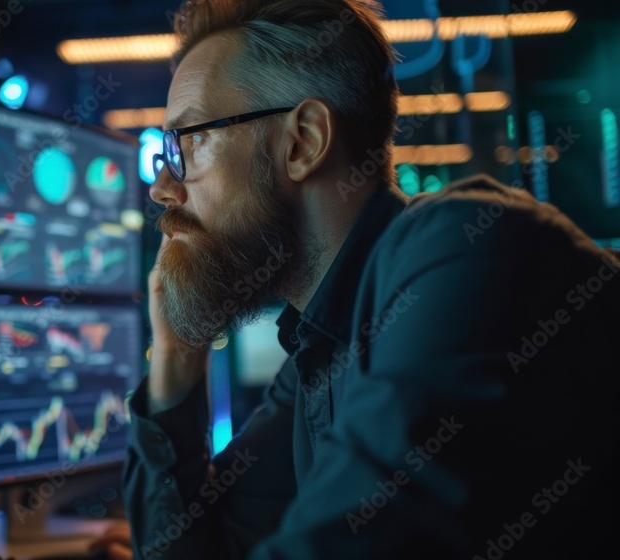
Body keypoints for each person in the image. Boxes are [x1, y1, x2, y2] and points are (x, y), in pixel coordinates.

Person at [122, 0, 620, 559]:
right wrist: (175, 354)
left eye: (186, 142)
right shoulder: (320, 350)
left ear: (302, 142)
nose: (162, 187)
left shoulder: (472, 250)